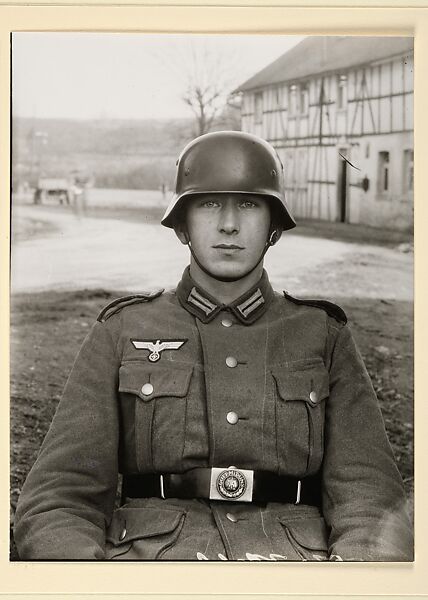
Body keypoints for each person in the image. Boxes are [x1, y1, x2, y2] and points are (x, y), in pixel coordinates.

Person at [14, 131, 413, 561]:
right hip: (152, 573)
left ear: (274, 226)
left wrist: (349, 583)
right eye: (208, 204)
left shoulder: (322, 334)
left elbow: (370, 500)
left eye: (248, 204)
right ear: (182, 225)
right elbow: (59, 499)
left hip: (294, 576)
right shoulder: (122, 330)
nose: (228, 224)